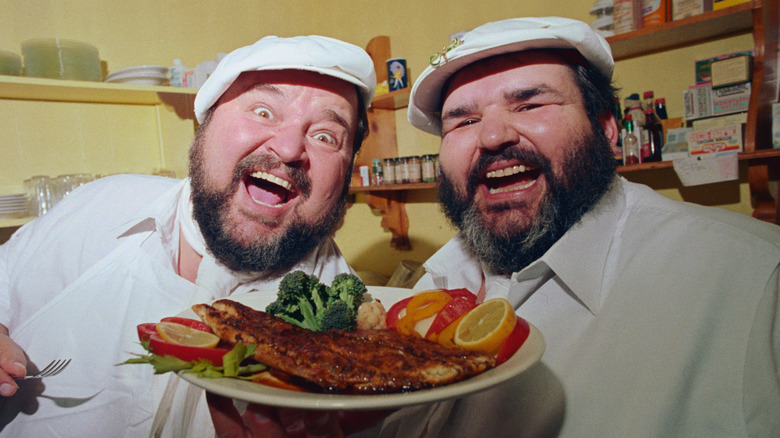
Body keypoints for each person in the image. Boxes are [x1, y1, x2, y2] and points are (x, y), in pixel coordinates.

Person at [361, 16, 780, 437]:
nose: (491, 136)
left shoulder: (756, 284)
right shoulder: (429, 286)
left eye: (529, 104)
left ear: (606, 127)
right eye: (463, 121)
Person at [0, 34, 376, 437]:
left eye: (325, 137)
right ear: (205, 124)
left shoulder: (360, 328)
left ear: (346, 174)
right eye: (264, 111)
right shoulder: (96, 208)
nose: (287, 149)